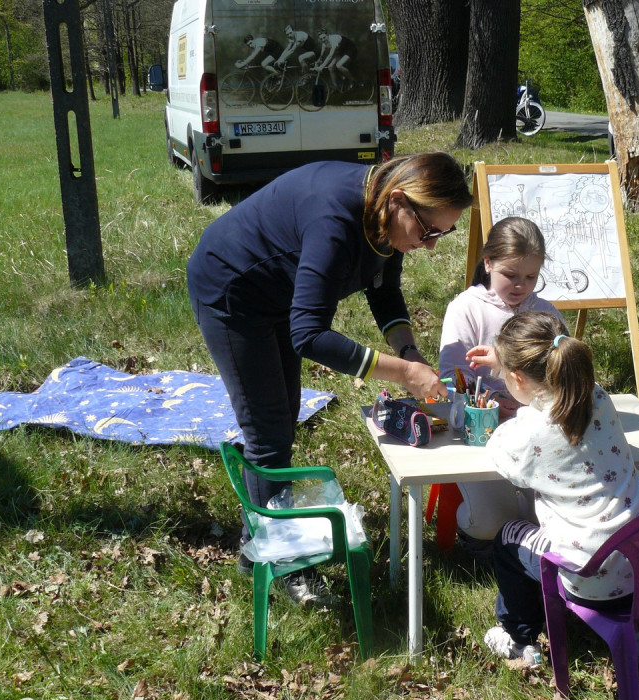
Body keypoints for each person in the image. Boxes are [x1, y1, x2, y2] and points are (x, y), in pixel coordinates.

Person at [187, 152, 470, 603]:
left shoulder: (386, 216)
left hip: (278, 294)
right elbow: (309, 335)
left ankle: (254, 544)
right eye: (428, 230)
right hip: (232, 292)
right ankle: (279, 562)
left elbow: (385, 289)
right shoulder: (337, 219)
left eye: (443, 232)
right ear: (399, 199)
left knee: (283, 417)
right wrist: (402, 373)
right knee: (266, 429)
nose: (431, 244)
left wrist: (411, 352)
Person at [466, 311, 639, 662]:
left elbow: (498, 450)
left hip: (589, 575)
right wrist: (508, 365)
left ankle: (517, 636)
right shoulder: (598, 398)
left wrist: (514, 404)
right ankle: (637, 636)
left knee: (509, 538)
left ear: (517, 379)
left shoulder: (530, 436)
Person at [438, 217, 562, 552]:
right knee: (490, 522)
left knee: (552, 513)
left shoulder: (546, 313)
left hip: (537, 431)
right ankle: (482, 537)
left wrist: (529, 406)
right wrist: (493, 402)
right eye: (510, 275)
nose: (521, 286)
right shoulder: (466, 308)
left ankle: (519, 540)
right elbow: (452, 379)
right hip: (479, 433)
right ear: (488, 263)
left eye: (531, 277)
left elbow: (562, 376)